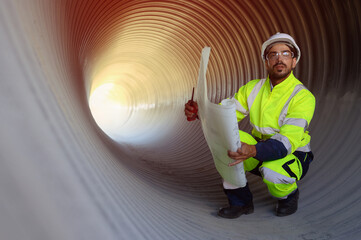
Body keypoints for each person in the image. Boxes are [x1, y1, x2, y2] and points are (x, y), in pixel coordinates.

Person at [184, 33, 316, 218]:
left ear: (294, 61)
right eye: (273, 54)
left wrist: (254, 151)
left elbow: (287, 141)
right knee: (225, 144)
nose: (279, 58)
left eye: (285, 53)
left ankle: (288, 195)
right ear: (266, 62)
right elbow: (224, 116)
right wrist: (199, 112)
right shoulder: (253, 88)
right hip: (258, 146)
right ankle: (241, 203)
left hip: (292, 152)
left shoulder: (302, 97)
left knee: (272, 172)